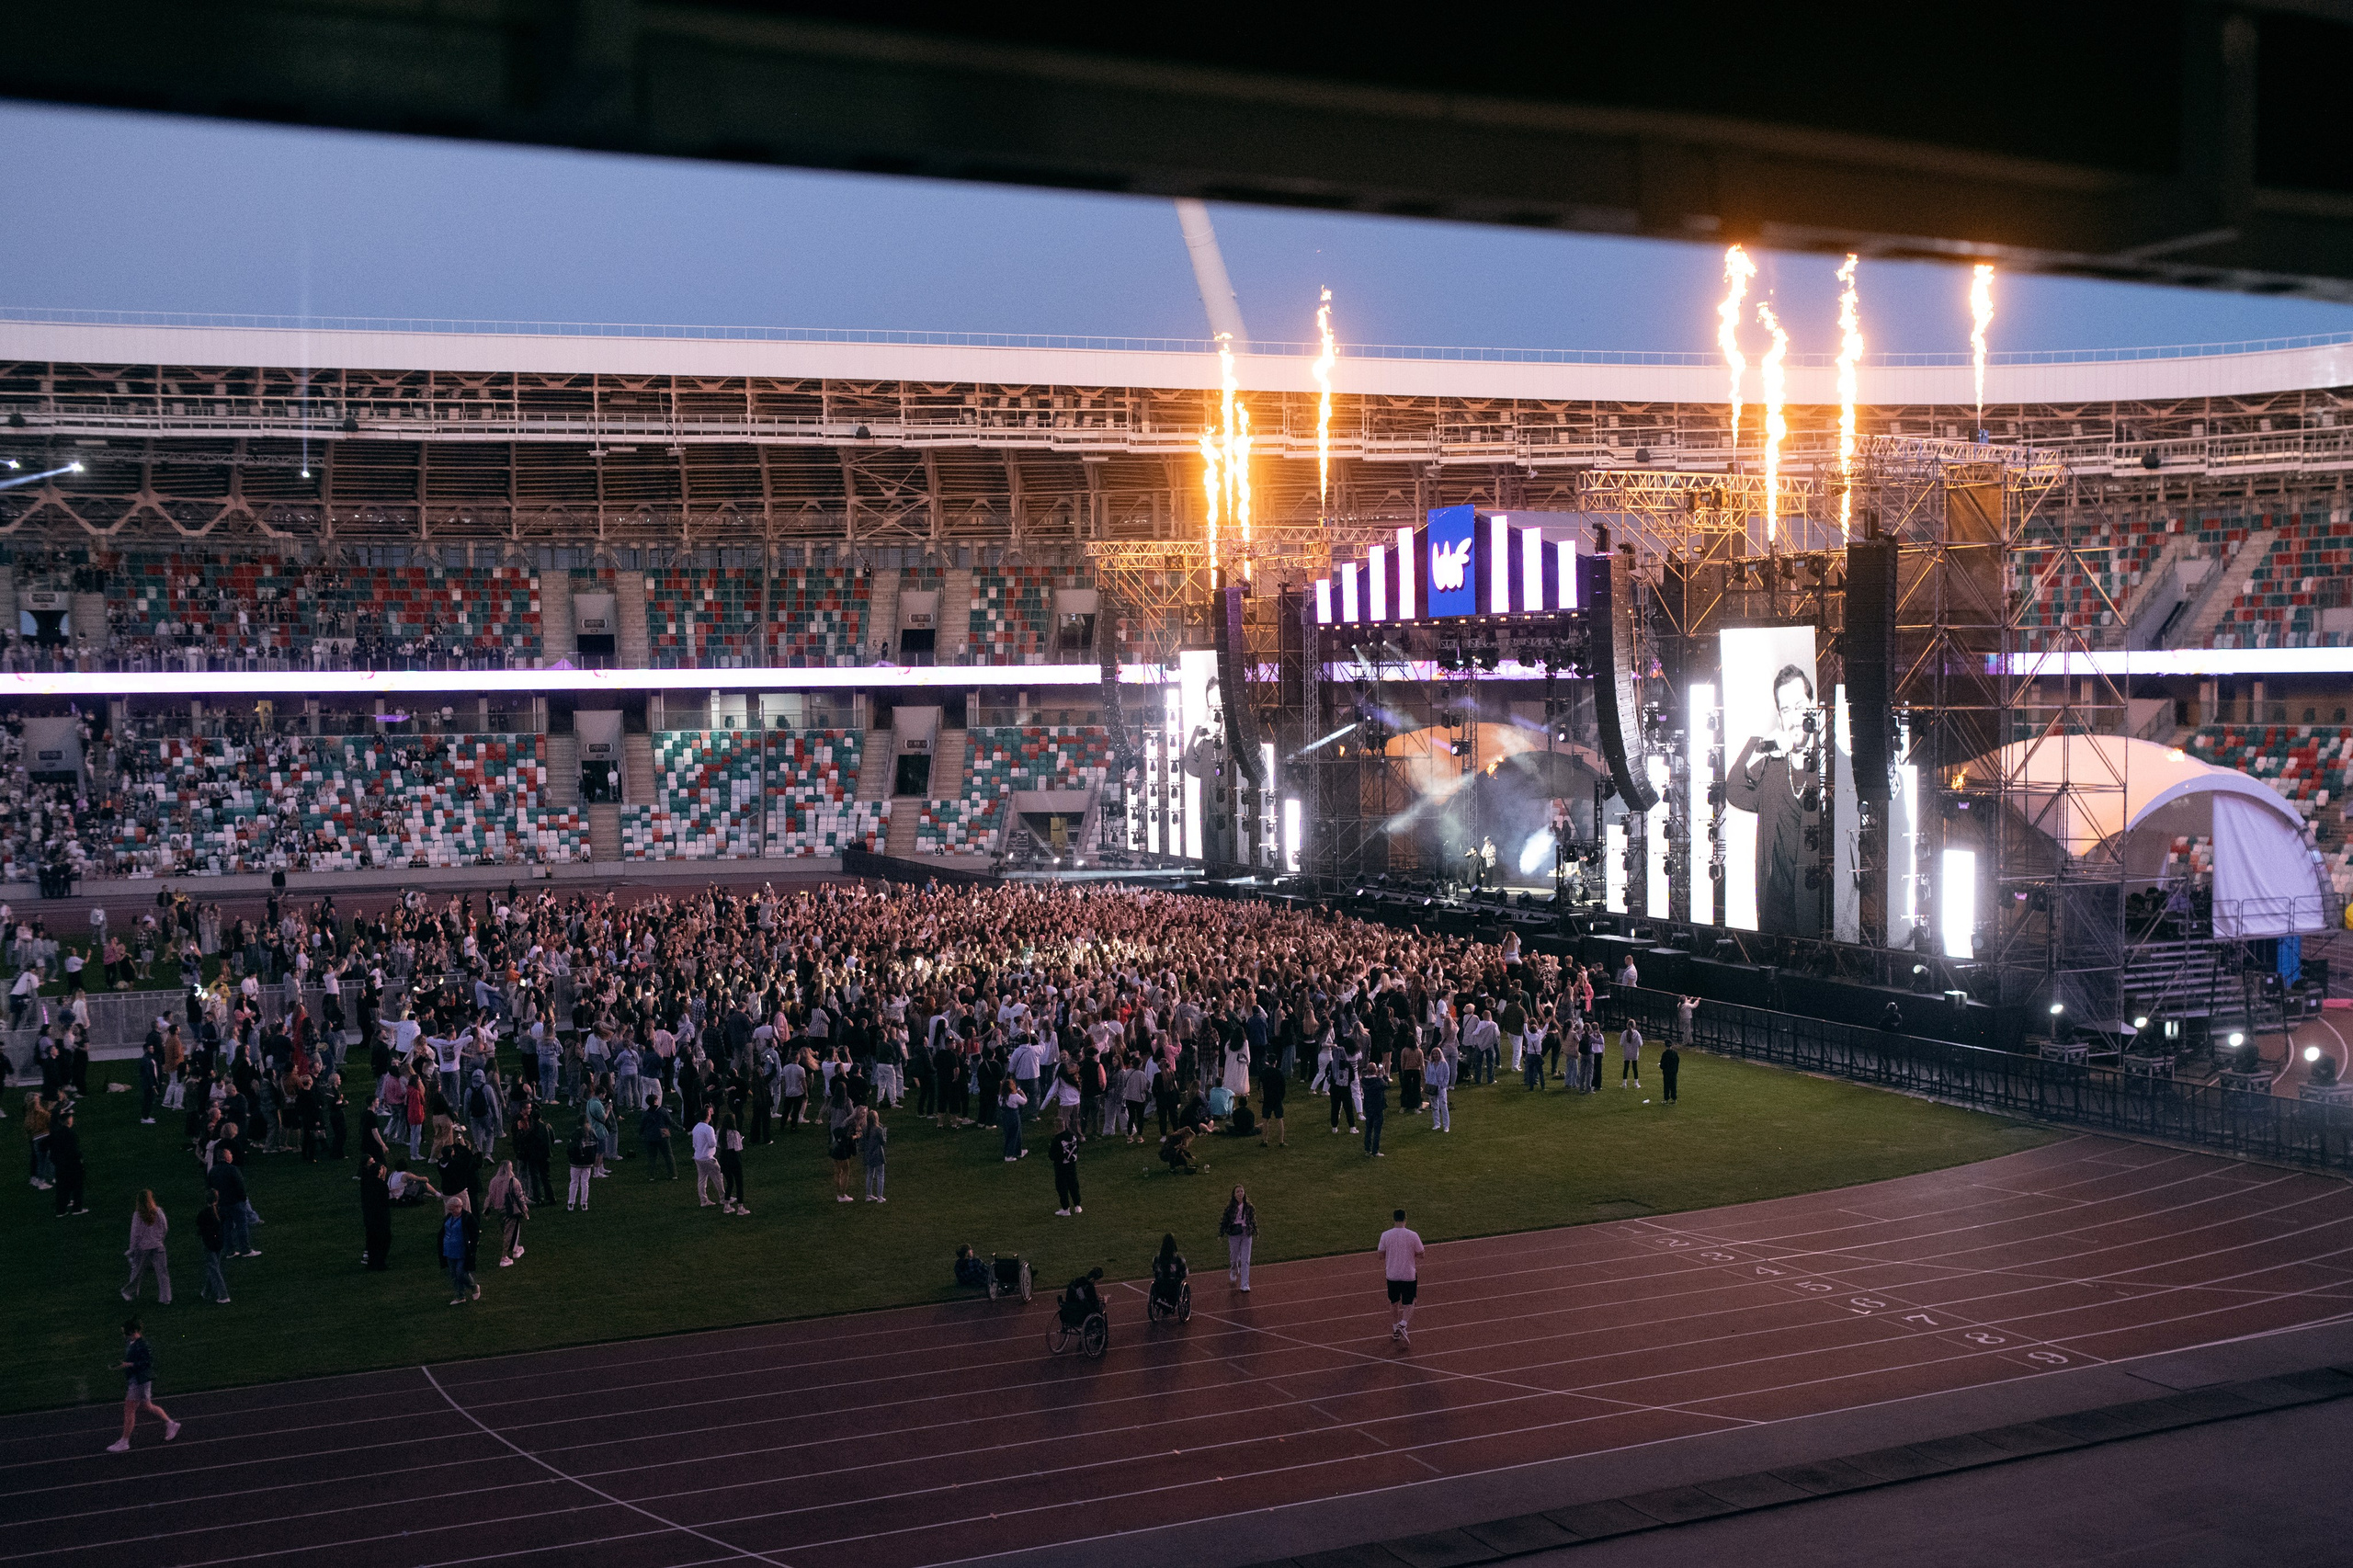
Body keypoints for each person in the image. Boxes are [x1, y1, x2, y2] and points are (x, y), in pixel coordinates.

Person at [1725, 661, 1822, 937]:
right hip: (1776, 910)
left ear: (1813, 707)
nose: (1794, 717)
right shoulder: (1772, 768)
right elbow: (1734, 790)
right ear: (1779, 715)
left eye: (1800, 706)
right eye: (1786, 709)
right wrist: (1760, 749)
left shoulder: (1828, 767)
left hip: (1817, 906)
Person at [106, 1319, 178, 1452]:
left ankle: (124, 1441)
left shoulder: (143, 1345)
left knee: (129, 1409)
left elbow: (147, 1363)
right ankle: (171, 1424)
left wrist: (129, 1364)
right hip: (135, 1379)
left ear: (134, 1331)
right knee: (147, 1406)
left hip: (140, 1380)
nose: (124, 1335)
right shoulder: (131, 1341)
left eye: (125, 1332)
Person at [1377, 1208, 1425, 1347]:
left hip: (1391, 1274)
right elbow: (1421, 1254)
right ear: (1405, 1219)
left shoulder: (1385, 1235)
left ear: (1394, 1219)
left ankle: (1395, 1329)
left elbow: (1380, 1255)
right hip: (1408, 1274)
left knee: (1393, 1302)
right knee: (1410, 1302)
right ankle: (1403, 1324)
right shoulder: (1413, 1235)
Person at [120, 1190, 171, 1305]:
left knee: (137, 1271)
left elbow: (135, 1234)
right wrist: (160, 1239)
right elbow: (165, 1227)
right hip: (158, 1246)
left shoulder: (138, 1215)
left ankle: (129, 1293)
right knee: (162, 1272)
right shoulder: (158, 1211)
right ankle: (166, 1298)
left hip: (143, 1248)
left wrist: (132, 1249)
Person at [487, 1158, 529, 1266]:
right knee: (510, 1233)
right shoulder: (513, 1181)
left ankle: (516, 1249)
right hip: (510, 1211)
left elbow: (490, 1197)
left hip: (498, 1210)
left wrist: (486, 1210)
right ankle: (504, 1257)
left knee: (507, 1232)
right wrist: (525, 1210)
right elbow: (520, 1197)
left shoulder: (493, 1181)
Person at [49, 1105, 87, 1216]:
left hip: (60, 1165)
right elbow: (75, 1151)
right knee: (77, 1187)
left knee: (62, 1188)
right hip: (72, 1165)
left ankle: (61, 1210)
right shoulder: (70, 1134)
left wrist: (54, 1158)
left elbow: (44, 1145)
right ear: (68, 1122)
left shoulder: (55, 1133)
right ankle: (77, 1208)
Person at [1219, 1184, 1256, 1292]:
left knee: (1245, 1259)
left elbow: (1253, 1220)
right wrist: (1222, 1233)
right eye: (1238, 1192)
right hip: (1234, 1233)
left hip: (1246, 1233)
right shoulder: (1230, 1208)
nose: (1240, 1193)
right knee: (1234, 1257)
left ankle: (1245, 1284)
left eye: (1241, 1191)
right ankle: (1234, 1270)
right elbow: (1225, 1221)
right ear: (1234, 1195)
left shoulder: (1249, 1207)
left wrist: (1253, 1229)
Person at [441, 1194, 478, 1305]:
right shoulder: (449, 1217)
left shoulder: (467, 1218)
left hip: (462, 1251)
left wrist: (472, 1248)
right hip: (449, 1250)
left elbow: (474, 1234)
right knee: (454, 1275)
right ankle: (460, 1296)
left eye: (452, 1210)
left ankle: (474, 1286)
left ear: (459, 1206)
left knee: (460, 1273)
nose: (451, 1212)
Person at [358, 1156, 392, 1272]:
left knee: (372, 1239)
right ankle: (380, 1262)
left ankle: (371, 1262)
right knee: (384, 1239)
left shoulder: (366, 1183)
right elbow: (385, 1200)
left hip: (369, 1216)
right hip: (380, 1216)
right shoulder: (381, 1185)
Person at [691, 1105, 726, 1209]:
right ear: (708, 1116)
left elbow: (694, 1144)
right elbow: (712, 1143)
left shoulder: (696, 1128)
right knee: (718, 1177)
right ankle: (723, 1198)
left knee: (702, 1180)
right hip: (708, 1157)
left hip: (698, 1157)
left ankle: (703, 1200)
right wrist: (717, 1137)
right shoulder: (709, 1129)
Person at [718, 1110, 750, 1215]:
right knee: (739, 1183)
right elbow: (738, 1148)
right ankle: (740, 1208)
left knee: (729, 1182)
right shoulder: (735, 1133)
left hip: (723, 1157)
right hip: (734, 1158)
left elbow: (718, 1145)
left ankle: (726, 1205)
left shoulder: (720, 1132)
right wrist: (740, 1140)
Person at [564, 1119, 597, 1211]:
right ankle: (584, 1204)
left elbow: (569, 1148)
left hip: (575, 1163)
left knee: (573, 1182)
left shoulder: (574, 1133)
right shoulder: (591, 1133)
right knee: (585, 1183)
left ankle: (571, 1203)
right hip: (587, 1162)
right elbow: (595, 1146)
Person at [1050, 1120, 1083, 1216]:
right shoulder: (1073, 1136)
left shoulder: (1057, 1140)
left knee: (1062, 1187)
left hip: (1061, 1167)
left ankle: (1065, 1208)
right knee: (1073, 1184)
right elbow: (1077, 1148)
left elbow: (1052, 1155)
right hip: (1072, 1165)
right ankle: (1077, 1206)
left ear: (1056, 1127)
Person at [1151, 1232, 1188, 1312]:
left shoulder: (1157, 1258)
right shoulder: (1178, 1259)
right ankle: (1170, 1304)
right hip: (1174, 1285)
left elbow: (1154, 1271)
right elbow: (1185, 1273)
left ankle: (1161, 1302)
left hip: (1160, 1285)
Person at [829, 1107, 859, 1203]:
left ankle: (839, 1194)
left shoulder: (845, 1121)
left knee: (837, 1172)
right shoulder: (852, 1122)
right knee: (846, 1171)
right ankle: (842, 1195)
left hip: (835, 1147)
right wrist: (857, 1136)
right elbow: (848, 1138)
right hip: (842, 1149)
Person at [1361, 1059, 1389, 1157]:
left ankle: (1367, 1149)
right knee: (1377, 1130)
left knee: (1368, 1129)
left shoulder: (1364, 1080)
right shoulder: (1378, 1081)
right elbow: (1386, 1085)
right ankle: (1375, 1150)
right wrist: (1383, 1075)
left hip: (1368, 1107)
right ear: (1375, 1070)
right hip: (1377, 1107)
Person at [858, 1107, 887, 1203]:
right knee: (880, 1175)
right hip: (878, 1154)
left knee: (870, 1174)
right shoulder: (878, 1129)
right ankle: (880, 1197)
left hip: (868, 1154)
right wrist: (884, 1132)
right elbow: (883, 1142)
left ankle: (868, 1195)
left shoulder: (865, 1129)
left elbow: (861, 1144)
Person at [1258, 1057, 1286, 1149]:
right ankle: (1281, 1141)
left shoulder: (1263, 1073)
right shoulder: (1279, 1073)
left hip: (1267, 1098)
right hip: (1277, 1098)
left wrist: (1262, 1097)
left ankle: (1265, 1140)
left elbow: (1260, 1086)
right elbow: (1283, 1087)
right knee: (1279, 1119)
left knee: (1265, 1119)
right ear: (1275, 1062)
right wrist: (1281, 1097)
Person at [998, 1078, 1028, 1162]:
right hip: (1014, 1116)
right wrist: (1022, 1093)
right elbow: (1024, 1101)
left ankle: (1018, 1151)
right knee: (1015, 1134)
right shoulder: (1014, 1096)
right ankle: (1009, 1155)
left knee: (1008, 1134)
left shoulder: (1001, 1097)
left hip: (1005, 1117)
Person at [1620, 1018, 1643, 1089]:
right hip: (1634, 1053)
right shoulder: (1637, 1034)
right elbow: (1640, 1044)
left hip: (1626, 1052)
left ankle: (1624, 1083)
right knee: (1635, 1068)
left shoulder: (1624, 1033)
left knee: (1626, 1067)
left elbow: (1621, 1044)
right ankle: (1636, 1083)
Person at [1660, 1040, 1681, 1104]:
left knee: (1666, 1086)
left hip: (1667, 1072)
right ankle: (1674, 1099)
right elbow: (1677, 1062)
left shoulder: (1665, 1054)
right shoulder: (1675, 1053)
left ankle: (1666, 1099)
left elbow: (1662, 1064)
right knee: (1673, 1085)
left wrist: (1661, 1066)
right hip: (1673, 1072)